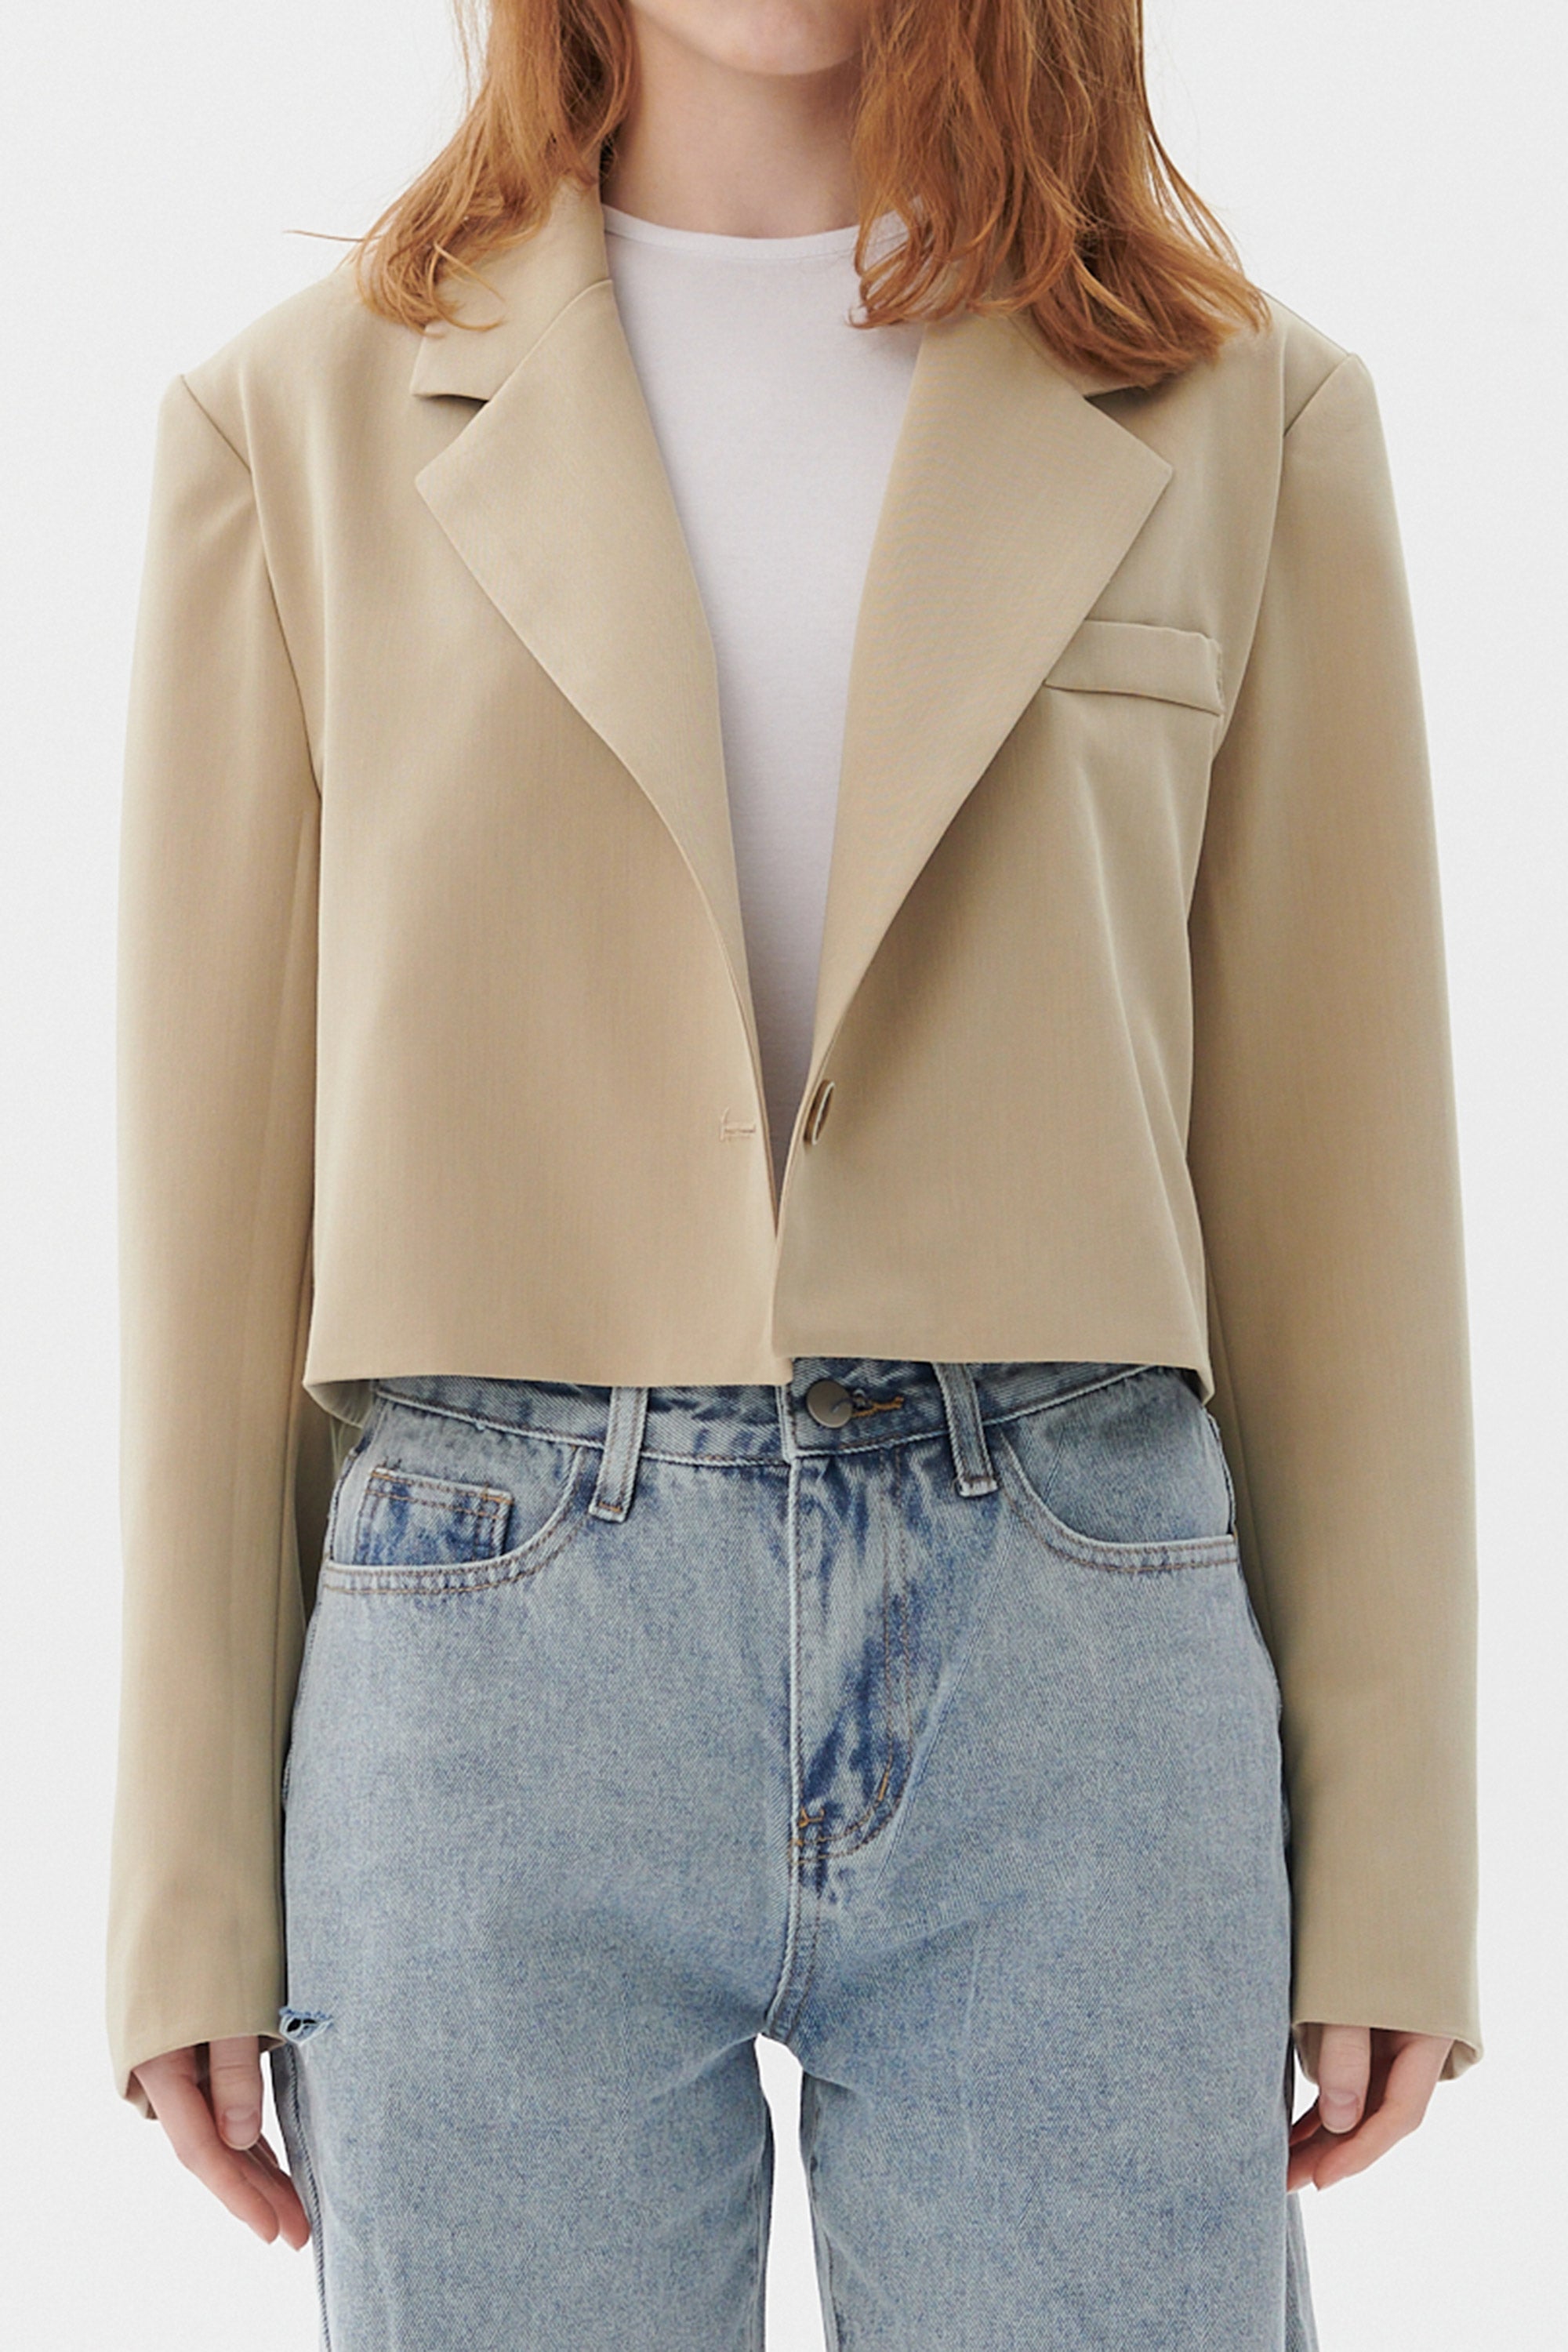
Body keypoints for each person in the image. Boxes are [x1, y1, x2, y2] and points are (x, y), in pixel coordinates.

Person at [107, 0, 1481, 2342]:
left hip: (1075, 1658)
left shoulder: (1243, 412)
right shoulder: (292, 427)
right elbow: (208, 1231)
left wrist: (1396, 1859)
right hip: (491, 1661)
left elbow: (1342, 1204)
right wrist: (186, 1880)